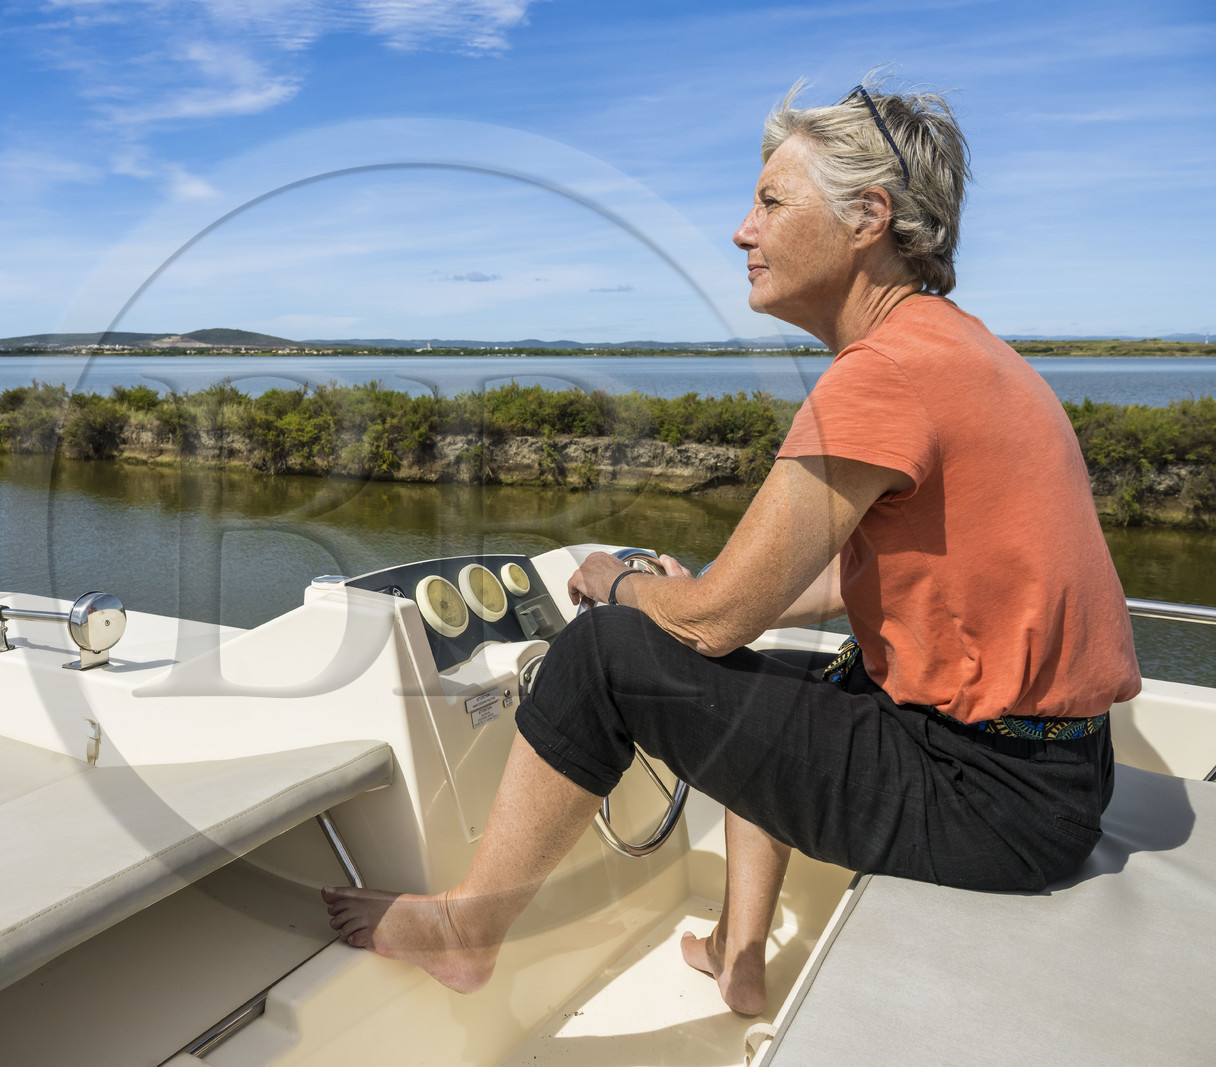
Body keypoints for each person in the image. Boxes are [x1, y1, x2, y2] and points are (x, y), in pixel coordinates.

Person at [322, 78, 1141, 1017]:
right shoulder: (960, 350)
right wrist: (707, 593)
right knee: (763, 682)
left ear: (868, 217)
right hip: (1052, 773)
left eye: (771, 202)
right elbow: (839, 580)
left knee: (603, 654)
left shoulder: (884, 374)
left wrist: (626, 586)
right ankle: (736, 953)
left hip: (989, 795)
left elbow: (713, 624)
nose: (743, 230)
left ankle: (467, 929)